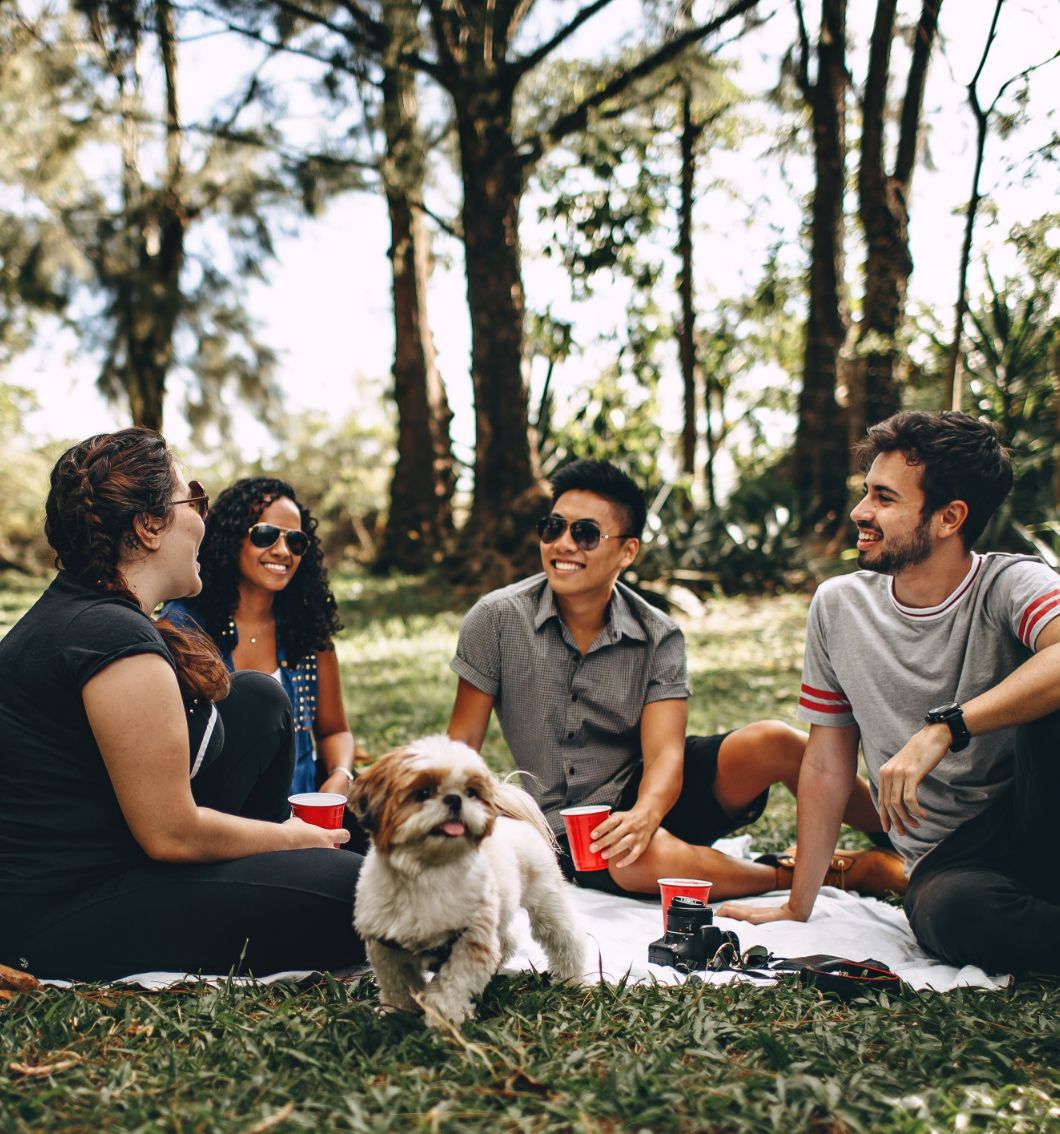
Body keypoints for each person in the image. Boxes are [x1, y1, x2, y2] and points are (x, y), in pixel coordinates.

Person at [446, 458, 903, 901]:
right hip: (571, 827)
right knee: (633, 860)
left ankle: (908, 842)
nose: (564, 544)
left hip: (654, 791)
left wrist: (646, 813)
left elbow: (665, 753)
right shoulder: (497, 619)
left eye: (584, 534)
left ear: (627, 551)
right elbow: (462, 743)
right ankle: (826, 873)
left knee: (776, 741)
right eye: (553, 528)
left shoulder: (658, 634)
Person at [0, 429, 364, 980]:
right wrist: (296, 836)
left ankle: (288, 871)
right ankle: (297, 871)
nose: (202, 518)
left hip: (119, 852)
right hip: (61, 913)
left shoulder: (92, 611)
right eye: (192, 498)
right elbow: (171, 834)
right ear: (148, 527)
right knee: (364, 895)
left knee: (259, 699)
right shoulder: (110, 638)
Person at [721, 411, 1060, 976]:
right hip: (954, 863)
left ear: (950, 517)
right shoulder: (839, 606)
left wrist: (946, 727)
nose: (860, 512)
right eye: (865, 492)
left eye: (883, 497)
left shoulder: (1011, 583)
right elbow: (827, 763)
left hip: (1037, 813)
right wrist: (796, 905)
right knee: (950, 914)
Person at [163, 478, 360, 799]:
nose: (283, 551)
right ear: (231, 538)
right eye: (266, 534)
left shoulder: (307, 627)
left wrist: (340, 774)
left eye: (295, 541)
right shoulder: (184, 625)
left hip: (302, 816)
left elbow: (334, 730)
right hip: (219, 818)